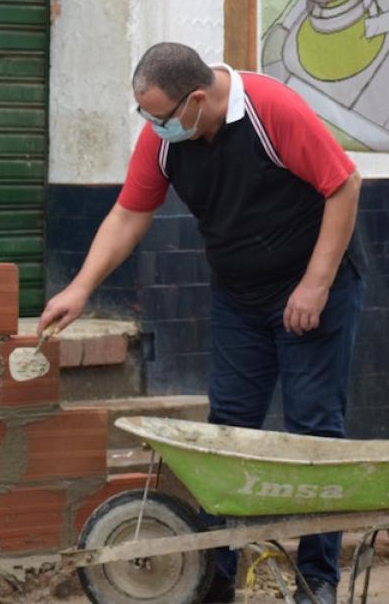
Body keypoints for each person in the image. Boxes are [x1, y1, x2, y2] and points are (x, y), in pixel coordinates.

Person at [38, 42, 364, 604]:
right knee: (226, 430)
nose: (151, 127)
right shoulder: (164, 139)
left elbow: (343, 185)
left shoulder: (271, 110)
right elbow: (129, 213)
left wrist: (315, 284)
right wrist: (80, 288)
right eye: (144, 115)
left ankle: (318, 578)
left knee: (313, 427)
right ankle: (216, 576)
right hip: (240, 295)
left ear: (196, 99)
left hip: (314, 287)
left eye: (159, 117)